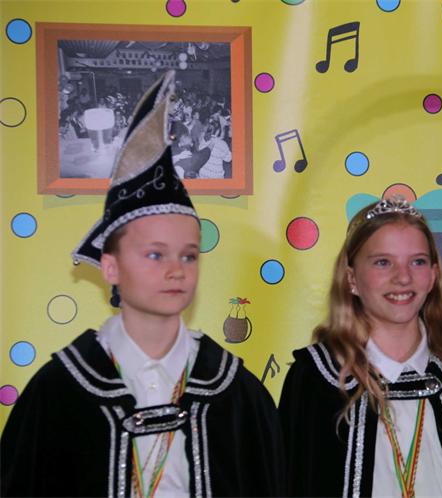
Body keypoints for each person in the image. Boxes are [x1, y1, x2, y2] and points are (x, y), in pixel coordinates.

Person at [0, 71, 284, 497]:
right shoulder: (59, 391)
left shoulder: (236, 392)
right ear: (110, 268)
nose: (176, 269)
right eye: (155, 254)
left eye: (188, 255)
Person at [279, 197, 442, 497]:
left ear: (433, 275)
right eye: (383, 262)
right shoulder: (318, 379)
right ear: (352, 278)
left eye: (417, 261)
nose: (403, 277)